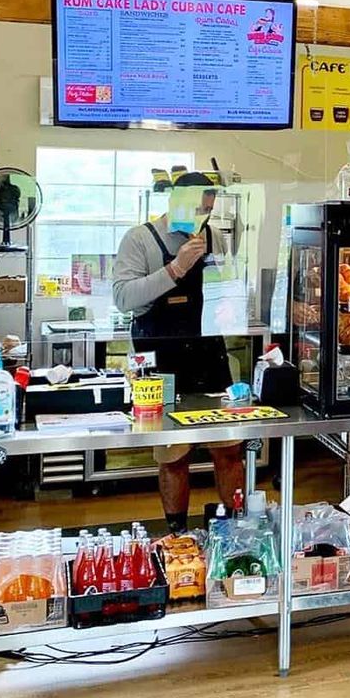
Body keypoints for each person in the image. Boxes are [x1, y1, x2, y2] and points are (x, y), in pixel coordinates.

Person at [113, 171, 243, 532]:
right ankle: (176, 534)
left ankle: (235, 528)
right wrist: (175, 268)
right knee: (172, 454)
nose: (204, 213)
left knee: (229, 448)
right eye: (199, 205)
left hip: (209, 356)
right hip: (162, 362)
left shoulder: (214, 237)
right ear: (174, 200)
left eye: (210, 206)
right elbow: (123, 298)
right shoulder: (141, 239)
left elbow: (224, 291)